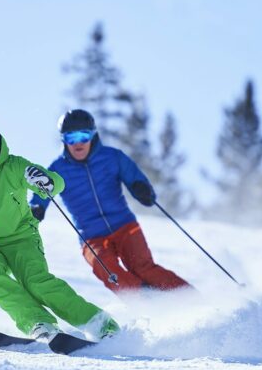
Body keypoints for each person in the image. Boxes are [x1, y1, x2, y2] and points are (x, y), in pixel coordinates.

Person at [0, 116, 120, 341]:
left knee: (37, 283)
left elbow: (57, 182)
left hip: (22, 238)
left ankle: (103, 326)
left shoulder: (15, 167)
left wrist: (45, 181)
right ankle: (39, 323)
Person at [29, 109, 191, 294]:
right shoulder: (58, 169)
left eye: (83, 136)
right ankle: (144, 298)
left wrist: (142, 189)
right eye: (71, 138)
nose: (78, 143)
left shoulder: (112, 157)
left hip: (124, 226)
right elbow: (43, 190)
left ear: (93, 135)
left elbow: (134, 177)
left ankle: (188, 296)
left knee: (143, 267)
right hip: (91, 236)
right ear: (63, 140)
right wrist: (37, 208)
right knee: (105, 268)